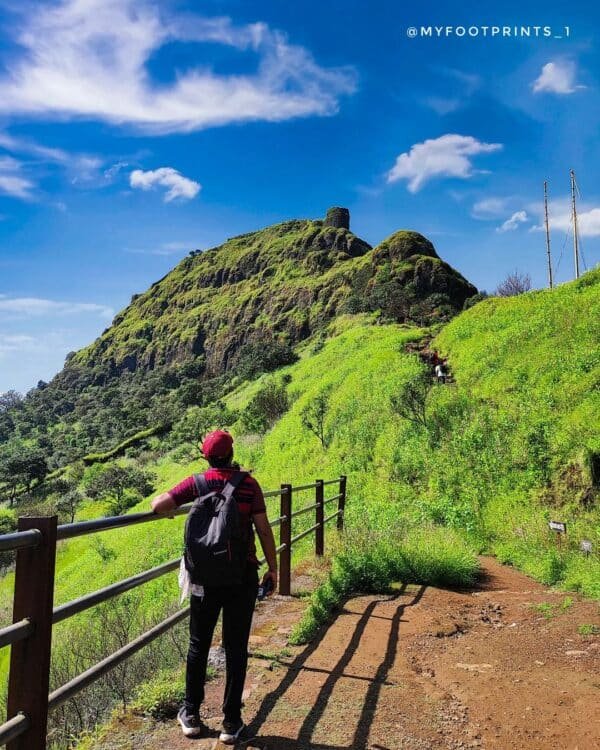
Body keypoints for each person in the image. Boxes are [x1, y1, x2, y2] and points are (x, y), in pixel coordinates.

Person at [150, 429, 278, 744]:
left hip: (204, 579)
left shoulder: (198, 483)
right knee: (236, 649)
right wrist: (273, 568)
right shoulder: (249, 485)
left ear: (207, 457)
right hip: (241, 576)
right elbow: (263, 530)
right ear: (232, 454)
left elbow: (158, 505)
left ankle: (191, 714)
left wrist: (171, 512)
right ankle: (231, 723)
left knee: (198, 645)